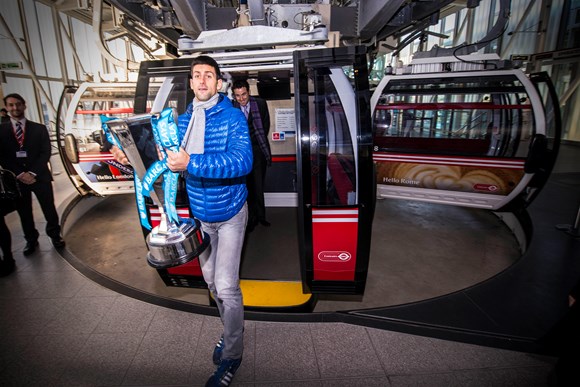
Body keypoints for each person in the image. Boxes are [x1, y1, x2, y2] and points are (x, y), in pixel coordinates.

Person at [112, 56, 252, 386]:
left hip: (231, 213)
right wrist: (129, 158)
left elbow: (242, 161)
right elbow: (161, 159)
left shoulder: (232, 117)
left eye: (209, 76)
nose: (202, 80)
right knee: (212, 283)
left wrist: (192, 162)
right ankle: (229, 330)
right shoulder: (182, 120)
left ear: (218, 83)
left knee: (228, 287)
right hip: (201, 217)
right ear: (191, 83)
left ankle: (233, 353)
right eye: (196, 76)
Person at [0, 94, 65, 256]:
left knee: (49, 208)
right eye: (11, 105)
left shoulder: (39, 128)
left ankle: (55, 235)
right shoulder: (1, 131)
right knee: (24, 211)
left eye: (18, 104)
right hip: (17, 180)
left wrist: (32, 172)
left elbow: (46, 152)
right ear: (6, 107)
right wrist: (20, 173)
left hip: (40, 176)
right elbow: (2, 156)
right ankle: (31, 240)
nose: (15, 108)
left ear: (24, 105)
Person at [231, 79, 271, 232]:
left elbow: (265, 125)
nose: (241, 98)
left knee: (259, 185)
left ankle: (261, 216)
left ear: (248, 91)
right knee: (246, 186)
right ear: (234, 96)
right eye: (238, 96)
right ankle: (250, 219)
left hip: (258, 150)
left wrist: (256, 142)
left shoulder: (260, 104)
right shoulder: (232, 108)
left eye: (244, 94)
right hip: (241, 153)